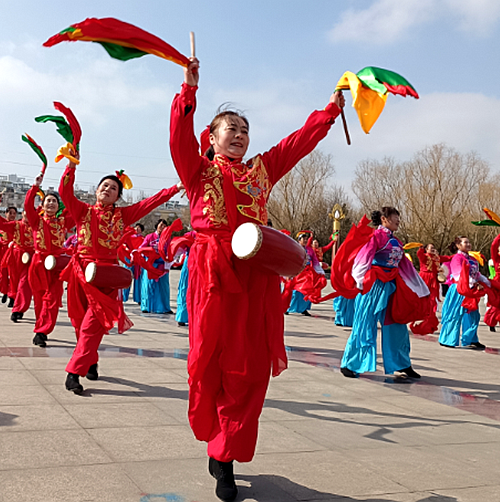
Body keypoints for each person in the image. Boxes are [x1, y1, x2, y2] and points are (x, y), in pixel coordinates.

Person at [170, 57, 343, 501]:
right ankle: (216, 436)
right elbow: (178, 138)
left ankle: (225, 456)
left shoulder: (263, 170)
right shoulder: (198, 172)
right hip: (212, 275)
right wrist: (188, 92)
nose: (241, 135)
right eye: (231, 127)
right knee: (208, 362)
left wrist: (328, 111)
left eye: (245, 129)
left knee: (248, 368)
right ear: (211, 137)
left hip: (257, 276)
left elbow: (297, 143)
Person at [59, 149, 182, 395]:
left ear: (117, 197)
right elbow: (65, 192)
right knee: (78, 322)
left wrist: (175, 188)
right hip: (80, 273)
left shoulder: (122, 216)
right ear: (96, 191)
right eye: (104, 186)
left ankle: (74, 372)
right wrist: (71, 166)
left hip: (106, 277)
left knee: (91, 326)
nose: (107, 189)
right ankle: (90, 359)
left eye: (113, 188)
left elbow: (150, 203)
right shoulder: (82, 211)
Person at [338, 207, 429, 379]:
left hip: (392, 284)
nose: (398, 221)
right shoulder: (375, 237)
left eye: (398, 218)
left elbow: (405, 266)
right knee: (364, 323)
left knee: (396, 324)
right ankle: (351, 363)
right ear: (384, 219)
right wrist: (359, 282)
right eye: (395, 217)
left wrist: (419, 287)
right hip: (374, 285)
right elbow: (362, 259)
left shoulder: (397, 241)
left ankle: (402, 363)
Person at [25, 177, 76, 347]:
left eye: (54, 201)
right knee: (39, 300)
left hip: (56, 265)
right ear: (43, 204)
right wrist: (35, 186)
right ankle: (41, 325)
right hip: (38, 265)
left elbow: (74, 208)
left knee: (53, 299)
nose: (51, 204)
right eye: (48, 201)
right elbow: (27, 205)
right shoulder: (36, 220)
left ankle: (41, 331)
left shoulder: (64, 222)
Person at [439, 236, 491, 349]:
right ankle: (447, 339)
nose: (468, 244)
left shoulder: (472, 259)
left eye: (469, 242)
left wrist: (484, 281)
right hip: (459, 289)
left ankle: (470, 339)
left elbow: (476, 274)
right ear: (458, 245)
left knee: (473, 316)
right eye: (465, 242)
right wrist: (472, 282)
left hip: (470, 291)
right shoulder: (457, 258)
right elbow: (458, 274)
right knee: (454, 314)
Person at [409, 244, 453, 335]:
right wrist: (421, 248)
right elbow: (419, 254)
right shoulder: (424, 257)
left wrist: (458, 255)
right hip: (424, 278)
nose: (433, 249)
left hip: (433, 280)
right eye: (431, 248)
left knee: (432, 299)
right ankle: (418, 318)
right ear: (426, 249)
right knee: (422, 298)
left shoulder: (436, 258)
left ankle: (429, 320)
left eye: (434, 247)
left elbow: (448, 258)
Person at [140, 219, 174, 314]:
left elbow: (170, 251)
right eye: (161, 225)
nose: (162, 227)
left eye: (164, 226)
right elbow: (141, 248)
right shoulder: (150, 237)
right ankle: (146, 306)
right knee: (148, 286)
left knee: (163, 286)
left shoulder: (167, 239)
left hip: (162, 264)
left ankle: (164, 307)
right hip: (150, 264)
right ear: (157, 226)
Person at [285, 233, 313, 315]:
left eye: (306, 239)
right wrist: (288, 273)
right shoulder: (295, 248)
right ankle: (288, 307)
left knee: (306, 291)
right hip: (296, 272)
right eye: (303, 239)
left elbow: (314, 261)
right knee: (295, 292)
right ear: (299, 240)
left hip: (306, 273)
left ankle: (303, 308)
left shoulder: (309, 250)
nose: (305, 240)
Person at [0, 206, 18, 303]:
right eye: (10, 213)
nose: (12, 215)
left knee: (13, 275)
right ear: (6, 213)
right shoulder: (2, 222)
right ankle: (4, 292)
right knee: (3, 275)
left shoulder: (17, 224)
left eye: (14, 213)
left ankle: (12, 296)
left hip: (13, 252)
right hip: (3, 252)